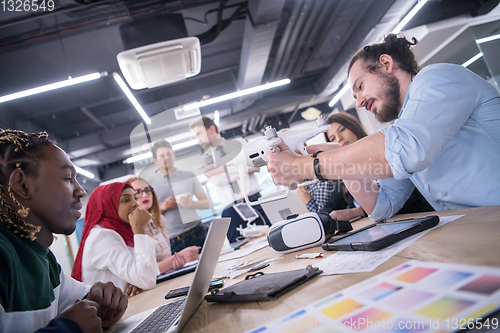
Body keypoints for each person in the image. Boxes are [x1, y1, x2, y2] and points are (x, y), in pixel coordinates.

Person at [267, 34, 500, 221]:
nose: (358, 102)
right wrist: (338, 163)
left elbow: (408, 150)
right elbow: (382, 206)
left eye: (360, 86)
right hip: (477, 230)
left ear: (386, 64)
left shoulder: (437, 78)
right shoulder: (406, 127)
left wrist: (305, 166)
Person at [0, 129, 127, 333]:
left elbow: (88, 302)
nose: (81, 191)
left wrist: (104, 300)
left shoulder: (44, 260)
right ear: (22, 185)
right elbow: (75, 323)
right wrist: (69, 328)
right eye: (68, 178)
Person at [322, 112, 433, 221]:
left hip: (417, 220)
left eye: (342, 130)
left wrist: (360, 211)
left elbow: (412, 198)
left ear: (353, 126)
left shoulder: (384, 152)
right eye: (332, 138)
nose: (339, 138)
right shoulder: (346, 171)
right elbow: (330, 205)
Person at [189, 116, 270, 243]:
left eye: (199, 133)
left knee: (271, 238)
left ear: (211, 129)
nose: (198, 139)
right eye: (195, 136)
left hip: (254, 201)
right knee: (238, 248)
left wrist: (221, 169)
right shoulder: (206, 158)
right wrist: (241, 167)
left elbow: (255, 166)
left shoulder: (239, 143)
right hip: (231, 209)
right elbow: (218, 181)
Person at [72, 182, 158, 296]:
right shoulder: (102, 237)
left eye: (135, 198)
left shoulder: (120, 233)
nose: (135, 204)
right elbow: (147, 280)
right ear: (108, 205)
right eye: (126, 200)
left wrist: (137, 281)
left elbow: (148, 274)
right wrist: (139, 228)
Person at [149, 139, 210, 253]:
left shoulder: (188, 175)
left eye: (169, 153)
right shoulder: (151, 184)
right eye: (162, 155)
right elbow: (148, 215)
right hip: (172, 240)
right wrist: (163, 207)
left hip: (197, 232)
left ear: (174, 154)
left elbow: (206, 203)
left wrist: (191, 203)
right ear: (155, 160)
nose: (166, 157)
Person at [128, 176, 199, 273]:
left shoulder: (159, 219)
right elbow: (143, 272)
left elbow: (165, 258)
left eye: (147, 190)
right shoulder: (131, 228)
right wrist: (175, 259)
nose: (145, 195)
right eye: (137, 192)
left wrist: (176, 262)